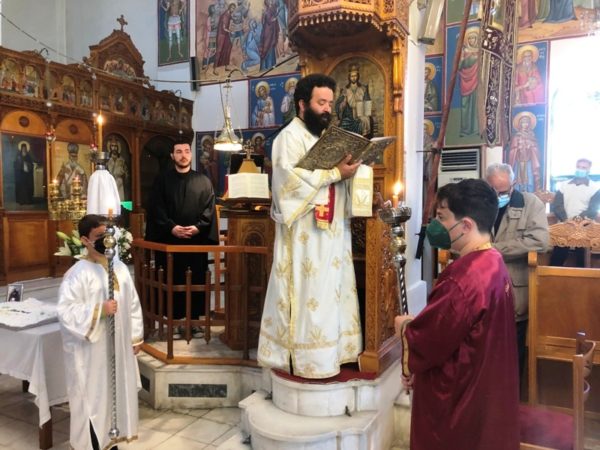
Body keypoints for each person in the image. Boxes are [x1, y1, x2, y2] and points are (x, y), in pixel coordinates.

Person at [395, 179, 520, 450]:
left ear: (466, 225)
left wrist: (404, 326)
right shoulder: (494, 261)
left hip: (459, 399)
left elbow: (429, 341)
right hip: (485, 388)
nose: (436, 225)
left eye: (442, 218)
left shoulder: (462, 278)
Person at [257, 73, 366, 379]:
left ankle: (334, 354)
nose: (327, 109)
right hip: (304, 239)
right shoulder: (289, 138)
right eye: (321, 103)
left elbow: (339, 180)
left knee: (332, 292)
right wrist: (334, 174)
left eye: (330, 103)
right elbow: (288, 184)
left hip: (332, 235)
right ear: (302, 104)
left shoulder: (326, 138)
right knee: (309, 295)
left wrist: (355, 175)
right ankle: (306, 360)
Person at [57, 214, 143, 450]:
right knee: (94, 399)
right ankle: (93, 444)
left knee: (117, 395)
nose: (106, 240)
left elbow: (133, 304)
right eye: (99, 236)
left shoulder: (120, 268)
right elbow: (66, 311)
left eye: (108, 235)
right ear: (85, 240)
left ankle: (112, 441)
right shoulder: (77, 274)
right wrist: (99, 311)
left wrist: (136, 336)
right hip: (91, 353)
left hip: (119, 348)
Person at [145, 139, 218, 333]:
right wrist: (171, 227)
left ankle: (194, 321)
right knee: (172, 281)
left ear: (191, 154)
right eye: (178, 152)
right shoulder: (162, 181)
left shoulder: (204, 181)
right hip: (170, 244)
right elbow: (156, 208)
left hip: (195, 245)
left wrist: (198, 228)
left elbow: (209, 209)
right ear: (172, 155)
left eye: (186, 151)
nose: (183, 155)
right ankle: (174, 322)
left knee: (195, 281)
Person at [486, 163, 549, 381]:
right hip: (483, 286)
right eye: (494, 190)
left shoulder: (531, 203)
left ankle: (512, 394)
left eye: (504, 191)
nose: (499, 195)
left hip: (514, 287)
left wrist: (494, 250)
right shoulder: (480, 204)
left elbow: (540, 241)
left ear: (513, 183)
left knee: (513, 350)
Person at [550, 158, 600, 267]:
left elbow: (592, 209)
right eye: (578, 166)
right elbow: (557, 205)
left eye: (584, 167)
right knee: (557, 257)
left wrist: (577, 222)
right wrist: (566, 220)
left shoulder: (595, 188)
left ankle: (582, 277)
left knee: (581, 259)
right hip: (564, 225)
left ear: (589, 170)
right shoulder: (564, 185)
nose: (580, 169)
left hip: (584, 227)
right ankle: (552, 276)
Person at [335, 63, 373, 138]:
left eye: (355, 76)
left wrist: (363, 112)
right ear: (349, 77)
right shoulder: (345, 90)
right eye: (352, 76)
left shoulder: (363, 89)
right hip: (348, 116)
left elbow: (367, 104)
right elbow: (338, 105)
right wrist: (343, 103)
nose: (353, 78)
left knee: (365, 121)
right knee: (343, 126)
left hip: (361, 115)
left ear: (358, 76)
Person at [509, 112, 541, 192]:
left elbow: (536, 150)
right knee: (518, 180)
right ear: (520, 124)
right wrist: (517, 149)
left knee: (529, 180)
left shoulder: (532, 136)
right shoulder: (517, 136)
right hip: (519, 161)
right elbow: (512, 150)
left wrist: (531, 148)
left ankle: (529, 192)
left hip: (529, 161)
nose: (525, 124)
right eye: (523, 122)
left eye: (527, 122)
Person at [458, 28, 479, 137]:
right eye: (469, 38)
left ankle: (475, 129)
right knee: (465, 104)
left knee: (475, 105)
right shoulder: (464, 51)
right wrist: (464, 58)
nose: (471, 40)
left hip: (476, 80)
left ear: (476, 39)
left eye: (473, 38)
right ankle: (465, 130)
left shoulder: (480, 51)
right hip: (465, 80)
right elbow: (459, 66)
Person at [259, 0, 279, 70]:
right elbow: (269, 20)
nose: (270, 2)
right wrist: (274, 18)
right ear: (267, 3)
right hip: (268, 32)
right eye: (269, 1)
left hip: (269, 31)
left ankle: (271, 64)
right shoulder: (267, 11)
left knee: (270, 46)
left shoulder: (269, 10)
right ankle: (267, 65)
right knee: (267, 46)